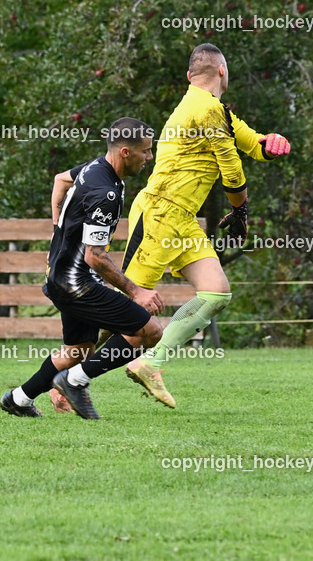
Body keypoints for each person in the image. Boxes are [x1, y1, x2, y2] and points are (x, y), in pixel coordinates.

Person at [120, 43, 291, 407]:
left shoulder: (215, 112)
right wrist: (241, 212)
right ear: (223, 72)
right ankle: (60, 379)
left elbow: (249, 143)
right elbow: (232, 169)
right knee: (124, 314)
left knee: (216, 292)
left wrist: (269, 142)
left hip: (181, 220)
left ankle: (151, 363)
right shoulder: (206, 109)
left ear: (189, 76)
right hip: (160, 215)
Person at [0, 117, 163, 420]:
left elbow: (61, 179)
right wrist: (136, 291)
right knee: (149, 331)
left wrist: (57, 227)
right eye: (146, 151)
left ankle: (18, 399)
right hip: (78, 283)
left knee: (78, 349)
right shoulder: (106, 193)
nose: (149, 158)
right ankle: (75, 381)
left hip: (59, 276)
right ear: (126, 151)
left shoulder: (93, 169)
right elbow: (95, 257)